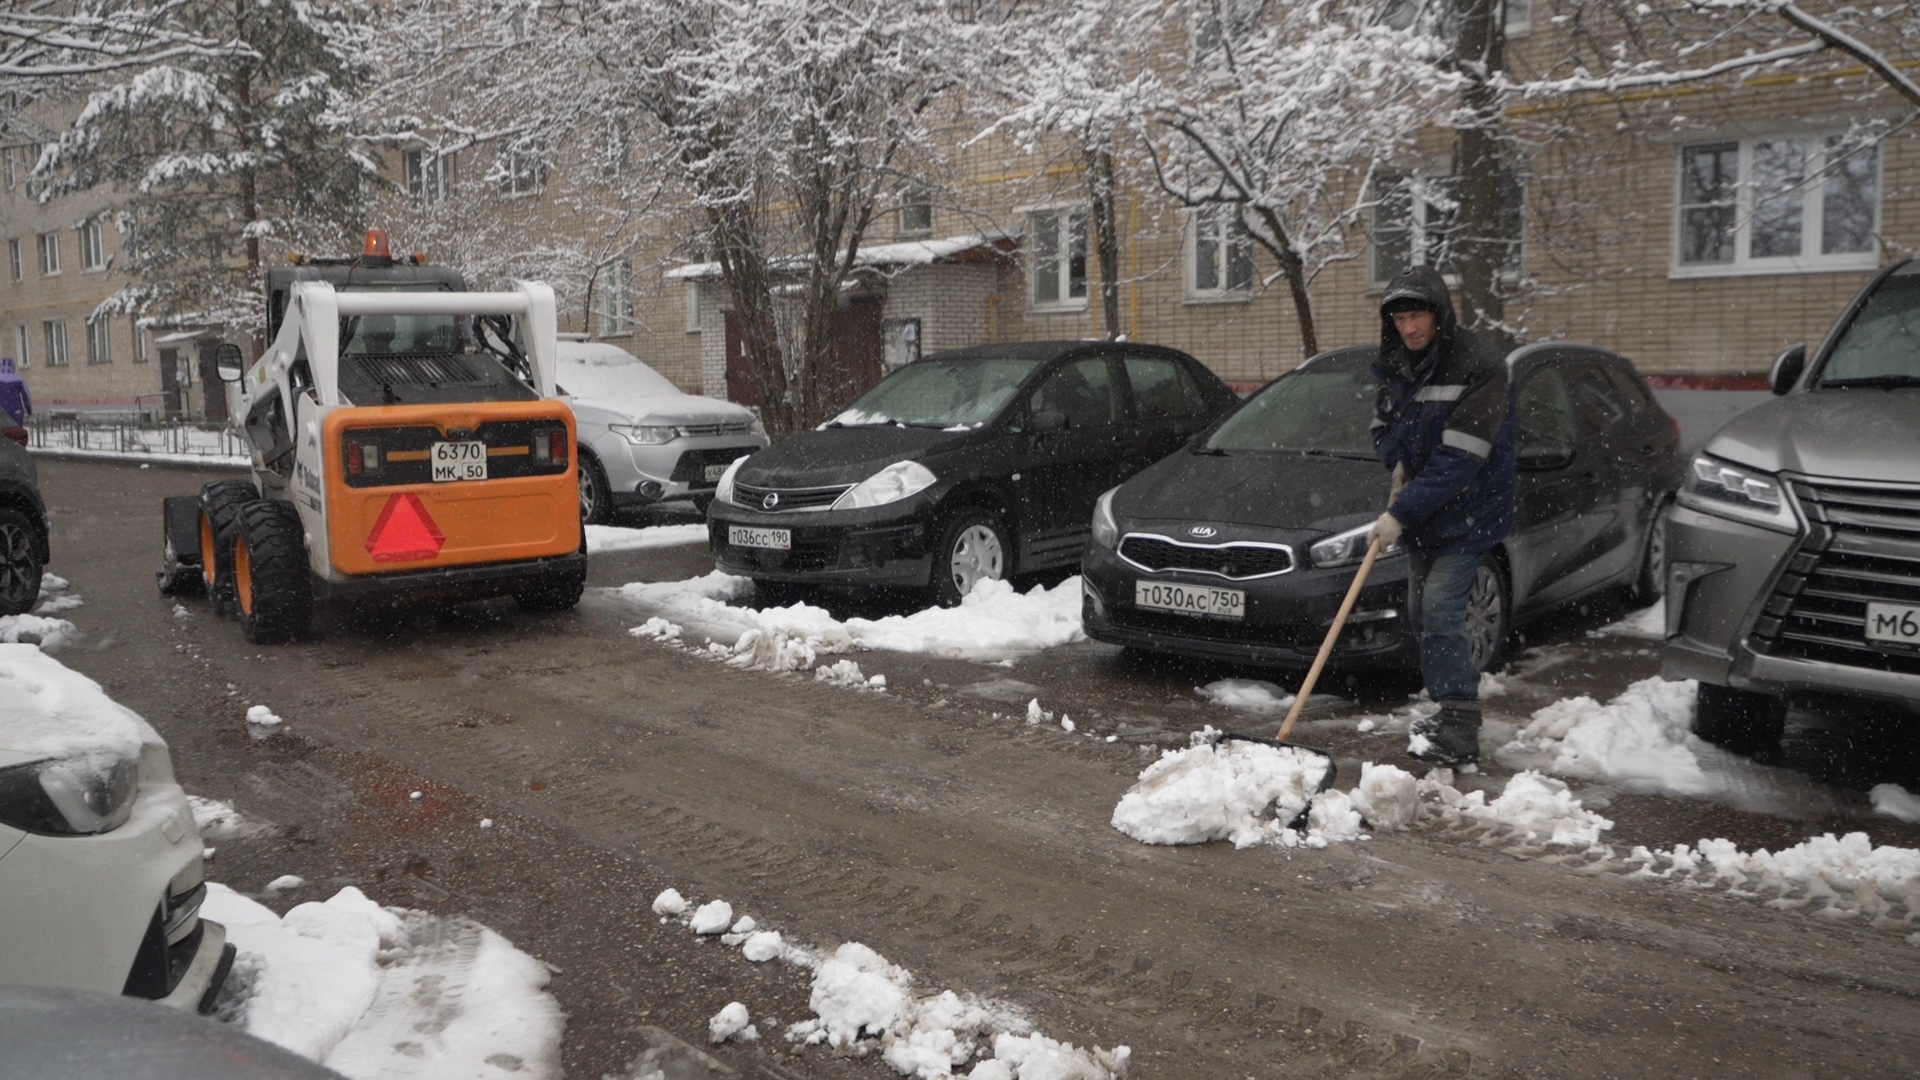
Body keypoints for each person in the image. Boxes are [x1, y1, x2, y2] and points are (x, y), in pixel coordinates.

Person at [1368, 266, 1517, 766]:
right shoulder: (1397, 361)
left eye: (1418, 316)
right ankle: (1445, 709)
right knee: (1420, 614)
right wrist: (1399, 462)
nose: (1410, 328)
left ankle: (1460, 726)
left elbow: (1460, 460)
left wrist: (1400, 512)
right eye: (1402, 318)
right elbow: (1382, 424)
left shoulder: (1478, 364)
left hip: (1470, 511)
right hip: (1426, 512)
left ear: (1440, 314)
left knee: (1440, 610)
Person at [0, 356, 30, 426]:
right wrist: (29, 410)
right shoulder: (19, 380)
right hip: (16, 412)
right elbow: (26, 396)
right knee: (16, 433)